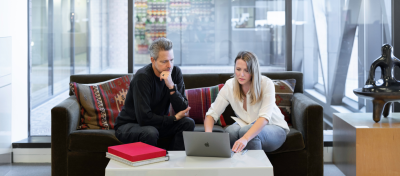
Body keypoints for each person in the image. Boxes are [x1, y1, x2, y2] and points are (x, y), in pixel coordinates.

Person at [114, 38, 195, 150]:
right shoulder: (142, 77)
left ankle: (172, 162)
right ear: (153, 60)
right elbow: (144, 118)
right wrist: (174, 119)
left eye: (172, 60)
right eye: (164, 61)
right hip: (130, 125)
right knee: (150, 132)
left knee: (188, 123)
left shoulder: (175, 72)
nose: (169, 65)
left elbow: (183, 109)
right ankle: (153, 165)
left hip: (156, 125)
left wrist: (171, 87)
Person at [204, 51, 290, 153]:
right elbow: (211, 114)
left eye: (246, 70)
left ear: (254, 71)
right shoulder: (229, 86)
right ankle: (233, 167)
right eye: (238, 69)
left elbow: (264, 118)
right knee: (230, 132)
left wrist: (245, 138)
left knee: (247, 131)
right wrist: (207, 137)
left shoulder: (266, 84)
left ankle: (256, 168)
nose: (241, 74)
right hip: (247, 124)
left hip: (274, 127)